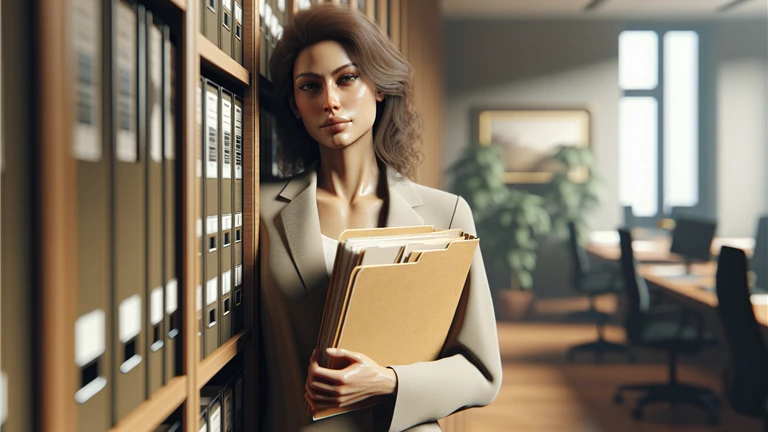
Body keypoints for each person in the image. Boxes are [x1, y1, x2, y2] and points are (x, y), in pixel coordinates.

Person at [258, 4, 502, 431]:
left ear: (378, 88)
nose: (330, 101)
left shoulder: (447, 212)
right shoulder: (261, 211)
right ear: (295, 106)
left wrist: (388, 382)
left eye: (346, 78)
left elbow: (481, 372)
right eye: (309, 86)